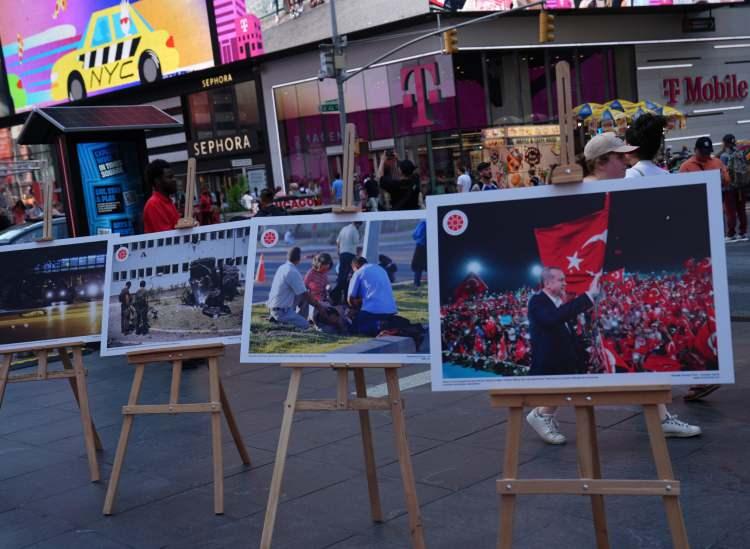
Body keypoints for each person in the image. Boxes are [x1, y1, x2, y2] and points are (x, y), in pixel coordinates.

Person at [525, 268, 600, 444]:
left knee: (564, 391)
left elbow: (565, 331)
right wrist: (588, 296)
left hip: (563, 360)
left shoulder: (556, 303)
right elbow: (552, 320)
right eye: (561, 280)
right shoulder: (537, 301)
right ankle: (541, 415)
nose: (565, 283)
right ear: (548, 283)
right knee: (560, 391)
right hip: (549, 362)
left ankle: (543, 414)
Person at [267, 246, 315, 330]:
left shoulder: (282, 267)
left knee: (303, 297)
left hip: (276, 307)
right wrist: (319, 307)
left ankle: (294, 319)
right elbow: (305, 294)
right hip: (281, 311)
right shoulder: (292, 271)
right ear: (299, 258)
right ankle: (285, 323)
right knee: (305, 325)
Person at [348, 256, 398, 336]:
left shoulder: (359, 272)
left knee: (355, 326)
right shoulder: (380, 269)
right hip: (391, 310)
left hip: (373, 311)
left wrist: (355, 309)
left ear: (355, 266)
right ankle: (386, 325)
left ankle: (379, 326)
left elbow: (350, 298)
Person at [719, 134, 748, 242]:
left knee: (730, 211)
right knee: (741, 210)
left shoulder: (724, 156)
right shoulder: (740, 153)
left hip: (729, 188)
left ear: (725, 143)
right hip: (741, 186)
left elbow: (723, 173)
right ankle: (743, 232)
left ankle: (731, 234)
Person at [143, 159, 180, 233]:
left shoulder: (167, 201)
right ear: (157, 181)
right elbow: (167, 238)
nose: (174, 180)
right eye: (170, 177)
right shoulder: (153, 204)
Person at [331, 221, 361, 305]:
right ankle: (336, 293)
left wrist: (339, 252)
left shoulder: (344, 229)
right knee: (348, 278)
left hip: (342, 254)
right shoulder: (354, 230)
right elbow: (356, 242)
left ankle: (336, 297)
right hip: (350, 255)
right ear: (358, 224)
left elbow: (338, 241)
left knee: (341, 277)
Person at [411, 220, 427, 287]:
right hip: (432, 246)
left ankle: (416, 284)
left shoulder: (423, 222)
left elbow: (415, 235)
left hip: (421, 246)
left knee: (418, 266)